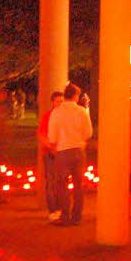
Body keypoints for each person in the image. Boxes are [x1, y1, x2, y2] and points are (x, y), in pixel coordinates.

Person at [47, 82, 92, 226]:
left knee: (62, 184)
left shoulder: (57, 112)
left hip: (63, 151)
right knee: (78, 184)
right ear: (75, 96)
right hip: (78, 150)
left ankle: (65, 215)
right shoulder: (82, 111)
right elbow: (88, 133)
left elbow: (52, 136)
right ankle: (77, 216)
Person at [37, 90, 64, 222]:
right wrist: (51, 147)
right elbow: (41, 135)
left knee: (61, 181)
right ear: (53, 102)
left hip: (62, 152)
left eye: (62, 101)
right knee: (51, 182)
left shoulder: (65, 117)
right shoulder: (47, 116)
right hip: (50, 153)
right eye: (58, 101)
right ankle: (53, 209)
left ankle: (60, 208)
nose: (60, 103)